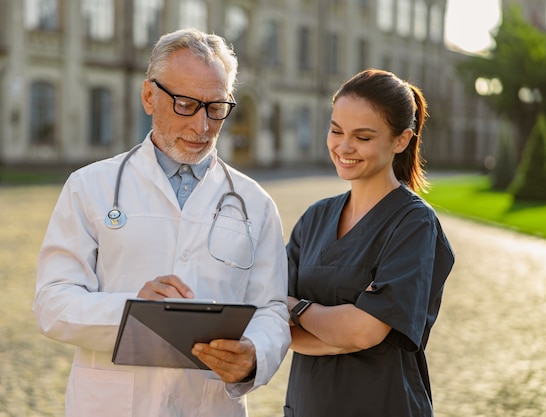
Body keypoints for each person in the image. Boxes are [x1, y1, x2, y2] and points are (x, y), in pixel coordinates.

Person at [33, 28, 290, 417]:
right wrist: (133, 312)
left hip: (210, 405)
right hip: (111, 405)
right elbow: (52, 302)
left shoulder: (256, 203)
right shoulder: (90, 187)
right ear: (149, 96)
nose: (202, 126)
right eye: (186, 104)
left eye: (216, 107)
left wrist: (254, 354)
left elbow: (271, 308)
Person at [284, 69, 455, 417]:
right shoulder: (314, 219)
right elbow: (271, 320)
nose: (344, 147)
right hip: (308, 405)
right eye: (335, 130)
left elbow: (365, 331)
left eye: (362, 137)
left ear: (401, 140)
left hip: (383, 404)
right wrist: (338, 330)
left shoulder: (413, 223)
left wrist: (297, 309)